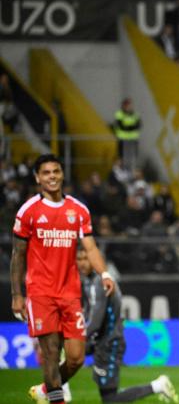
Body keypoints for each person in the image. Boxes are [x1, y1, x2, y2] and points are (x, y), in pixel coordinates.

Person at [10, 153, 115, 404]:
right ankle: (56, 399)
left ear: (62, 174)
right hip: (40, 292)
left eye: (56, 171)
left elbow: (90, 248)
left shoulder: (78, 210)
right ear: (37, 177)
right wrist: (17, 295)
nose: (52, 177)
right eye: (46, 173)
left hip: (70, 293)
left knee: (77, 357)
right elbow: (18, 255)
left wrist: (105, 273)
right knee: (50, 352)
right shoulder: (28, 211)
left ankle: (45, 392)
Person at [30, 248, 178, 403]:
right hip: (99, 340)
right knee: (67, 355)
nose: (82, 263)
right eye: (79, 259)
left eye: (86, 259)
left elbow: (95, 322)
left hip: (109, 343)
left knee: (110, 399)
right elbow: (88, 313)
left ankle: (158, 385)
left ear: (96, 260)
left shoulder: (100, 283)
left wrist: (74, 337)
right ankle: (53, 391)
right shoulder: (88, 281)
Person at [113, 98, 141, 170]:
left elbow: (139, 125)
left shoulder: (135, 114)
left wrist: (128, 127)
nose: (129, 107)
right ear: (123, 106)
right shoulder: (119, 114)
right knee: (122, 157)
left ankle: (133, 171)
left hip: (133, 139)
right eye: (127, 105)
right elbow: (121, 126)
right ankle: (121, 171)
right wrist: (132, 127)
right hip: (123, 139)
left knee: (133, 157)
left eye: (130, 105)